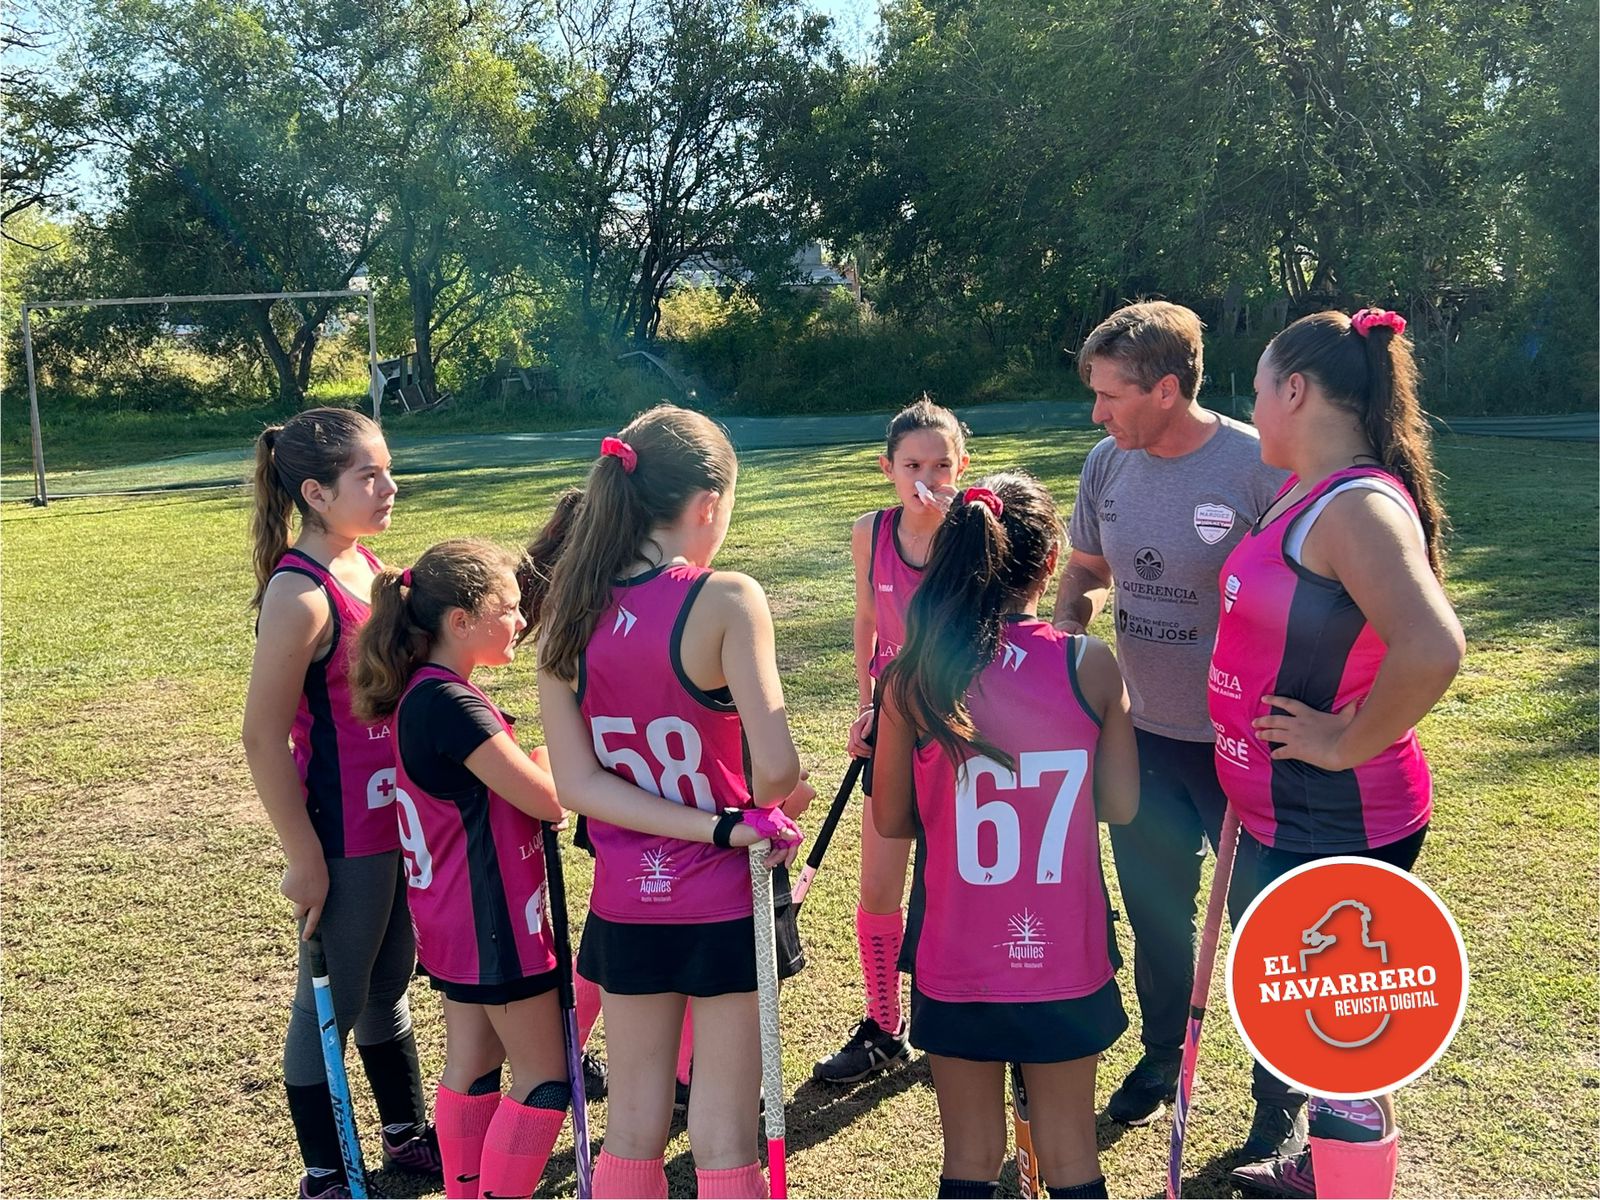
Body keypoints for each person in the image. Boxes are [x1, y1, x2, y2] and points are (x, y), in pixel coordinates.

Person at [529, 405, 813, 1200]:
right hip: (725, 898)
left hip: (627, 900)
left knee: (631, 1130)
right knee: (723, 1134)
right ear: (708, 504)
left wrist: (715, 826)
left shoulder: (567, 610)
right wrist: (734, 823)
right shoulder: (726, 597)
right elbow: (776, 772)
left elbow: (579, 787)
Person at [1210, 308, 1464, 1198]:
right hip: (1288, 816)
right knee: (1329, 1029)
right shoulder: (1307, 490)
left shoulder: (1356, 506)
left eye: (1255, 388)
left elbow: (1433, 647)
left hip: (1338, 817)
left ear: (1294, 391)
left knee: (1344, 1037)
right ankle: (1330, 1169)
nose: (1251, 407)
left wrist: (1344, 741)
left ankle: (1347, 1178)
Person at [1052, 301, 1297, 1159]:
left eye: (1110, 395)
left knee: (1263, 926)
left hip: (1243, 746)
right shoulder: (1107, 464)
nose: (1096, 413)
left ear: (1165, 389)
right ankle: (1162, 1060)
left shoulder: (1259, 466)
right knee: (1157, 914)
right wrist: (1069, 621)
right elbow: (1087, 568)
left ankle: (1280, 1100)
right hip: (1143, 736)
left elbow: (1310, 591)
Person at [871, 473, 1139, 1200]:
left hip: (957, 951)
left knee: (969, 1155)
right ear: (1049, 564)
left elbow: (892, 819)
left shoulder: (913, 676)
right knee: (1072, 1153)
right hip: (1066, 950)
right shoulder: (1089, 663)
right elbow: (1120, 804)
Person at [240, 408, 437, 1199]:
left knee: (389, 983)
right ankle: (324, 1174)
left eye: (389, 470)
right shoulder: (300, 593)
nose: (390, 487)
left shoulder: (364, 562)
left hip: (397, 820)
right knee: (330, 1003)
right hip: (345, 834)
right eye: (369, 476)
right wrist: (304, 858)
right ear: (317, 494)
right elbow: (262, 738)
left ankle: (404, 1134)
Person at [815, 397, 971, 1085]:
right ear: (888, 468)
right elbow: (866, 622)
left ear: (962, 467)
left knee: (959, 881)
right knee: (880, 885)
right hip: (892, 728)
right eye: (912, 465)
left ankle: (959, 1013)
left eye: (941, 465)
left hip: (960, 728)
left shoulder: (976, 531)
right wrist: (866, 705)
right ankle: (884, 1024)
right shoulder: (870, 531)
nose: (926, 479)